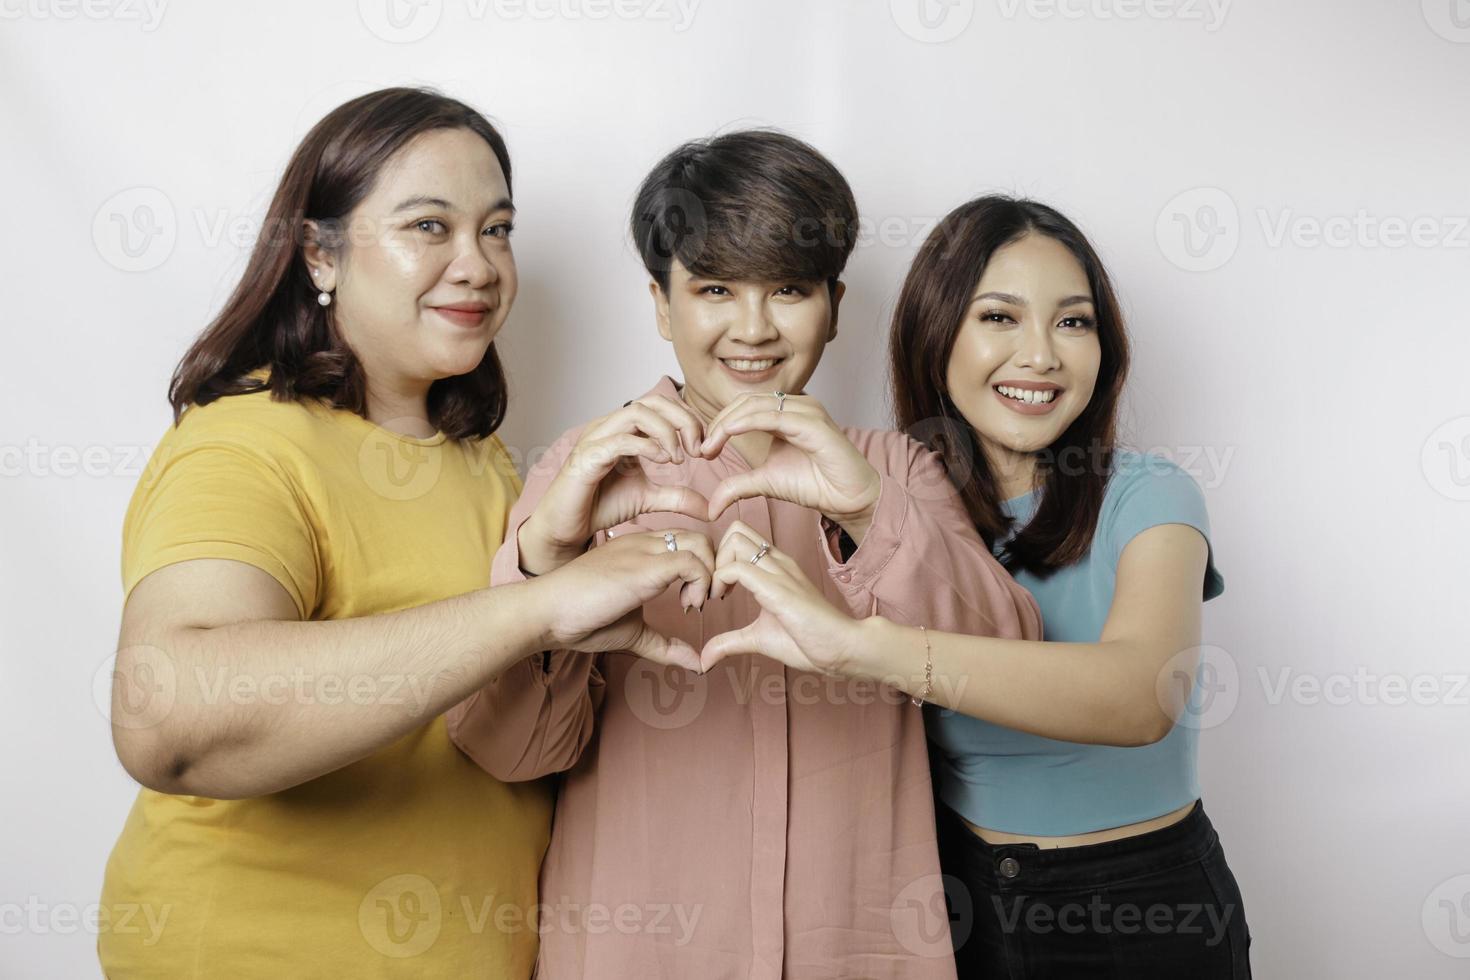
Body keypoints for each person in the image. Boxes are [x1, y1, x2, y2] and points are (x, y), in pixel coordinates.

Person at [98, 87, 710, 978]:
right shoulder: (243, 443)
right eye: (429, 226)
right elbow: (167, 718)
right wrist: (542, 606)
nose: (478, 265)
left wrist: (557, 557)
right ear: (319, 253)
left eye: (496, 228)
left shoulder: (484, 462)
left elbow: (505, 745)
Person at [447, 132, 1042, 979]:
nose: (754, 328)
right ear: (661, 304)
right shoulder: (584, 470)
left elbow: (1008, 678)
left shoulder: (900, 468)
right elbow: (507, 749)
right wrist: (547, 562)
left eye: (790, 290)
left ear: (835, 304)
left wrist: (869, 509)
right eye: (715, 288)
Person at [698, 196, 1253, 977]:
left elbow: (1142, 695)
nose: (1042, 356)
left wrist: (867, 650)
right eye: (999, 318)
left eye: (1073, 322)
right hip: (947, 898)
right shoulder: (893, 507)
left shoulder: (1149, 494)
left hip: (1135, 903)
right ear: (937, 334)